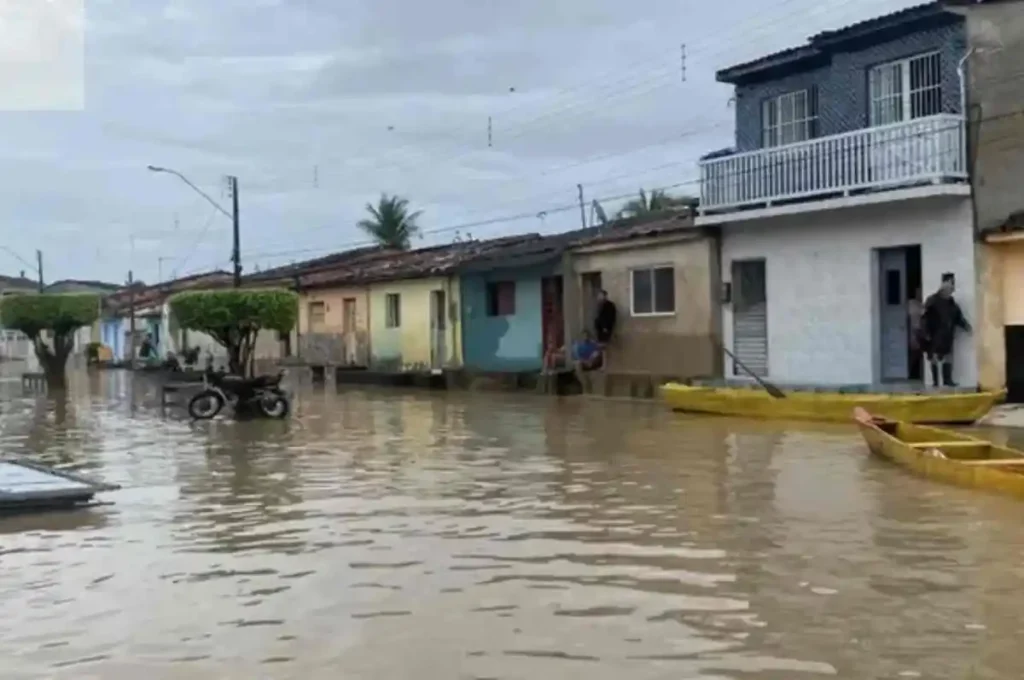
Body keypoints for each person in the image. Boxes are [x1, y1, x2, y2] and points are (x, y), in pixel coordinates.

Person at [919, 273, 971, 387]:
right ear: (944, 285)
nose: (952, 288)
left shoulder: (951, 302)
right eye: (951, 284)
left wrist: (966, 327)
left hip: (947, 334)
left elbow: (958, 317)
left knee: (948, 357)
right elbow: (924, 317)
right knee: (934, 357)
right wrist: (925, 333)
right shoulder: (932, 300)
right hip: (934, 334)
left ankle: (947, 380)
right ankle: (936, 382)